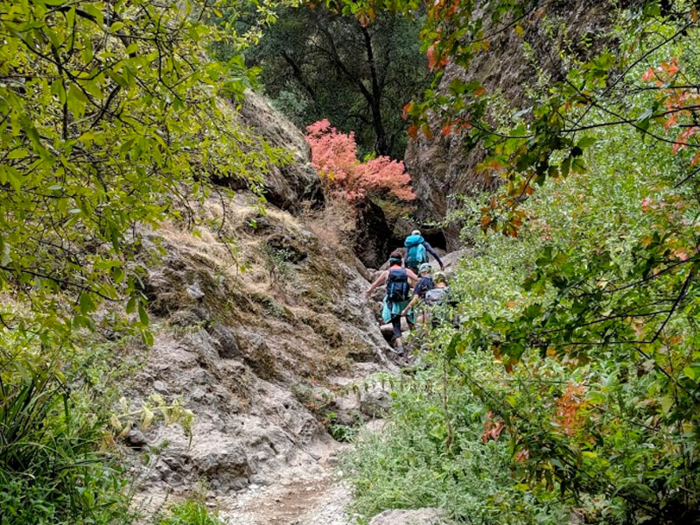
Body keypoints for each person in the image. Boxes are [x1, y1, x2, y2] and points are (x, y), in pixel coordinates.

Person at [365, 251, 418, 355]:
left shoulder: (387, 273)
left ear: (390, 261)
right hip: (406, 301)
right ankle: (417, 343)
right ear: (400, 261)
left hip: (393, 302)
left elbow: (375, 285)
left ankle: (400, 348)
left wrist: (368, 292)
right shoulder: (406, 271)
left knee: (396, 325)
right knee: (411, 323)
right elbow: (417, 279)